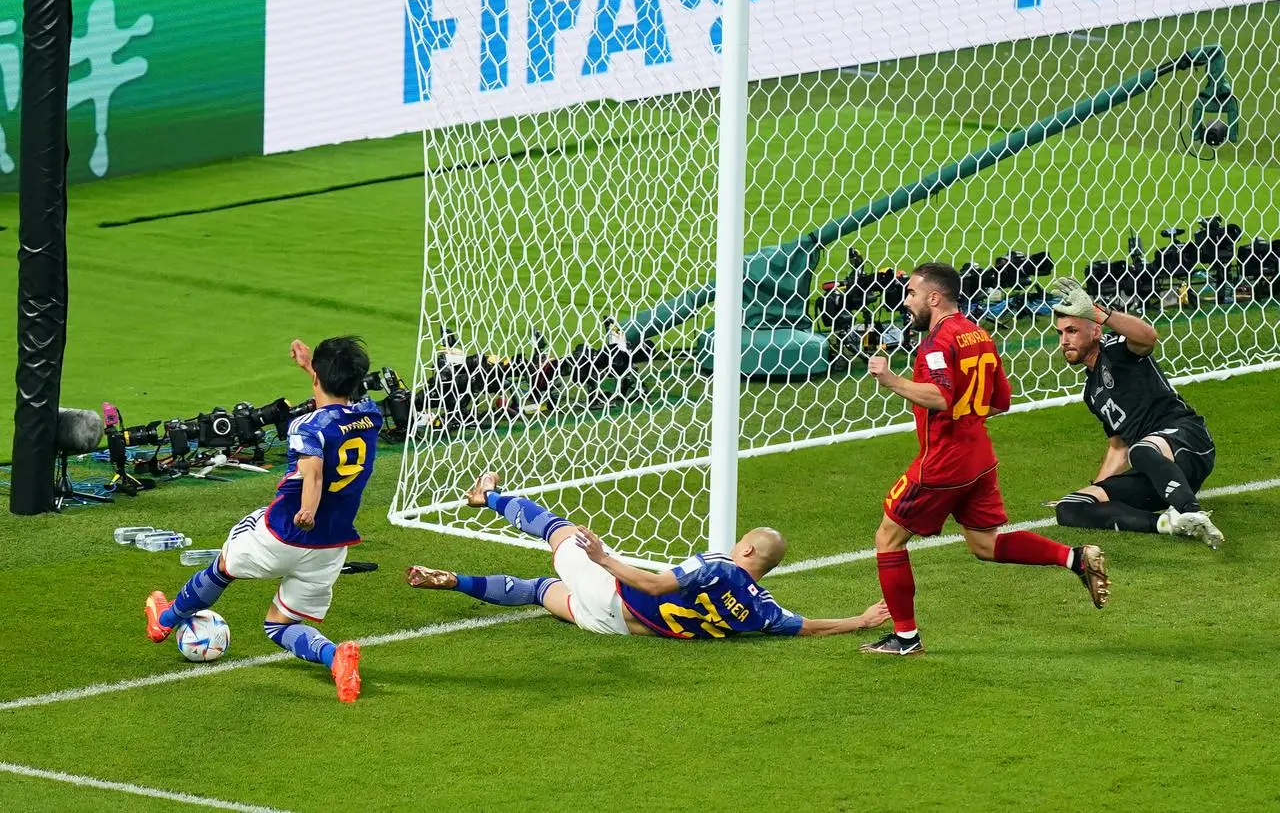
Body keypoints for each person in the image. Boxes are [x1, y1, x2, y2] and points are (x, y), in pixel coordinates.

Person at [862, 263, 1110, 657]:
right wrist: (967, 416)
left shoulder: (937, 343)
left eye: (911, 293)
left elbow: (940, 397)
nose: (906, 302)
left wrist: (890, 379)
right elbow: (1001, 401)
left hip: (944, 462)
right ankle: (1075, 558)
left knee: (887, 538)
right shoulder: (979, 333)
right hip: (979, 456)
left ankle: (905, 639)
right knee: (983, 544)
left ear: (933, 297)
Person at [144, 337, 381, 703]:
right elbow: (339, 407)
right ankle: (336, 657)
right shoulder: (370, 417)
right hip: (332, 545)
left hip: (284, 531)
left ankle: (164, 621)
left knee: (224, 565)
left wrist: (307, 509)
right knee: (279, 625)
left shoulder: (305, 427)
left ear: (318, 376)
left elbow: (313, 473)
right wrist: (310, 367)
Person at [406, 472, 891, 639]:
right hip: (613, 626)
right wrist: (859, 620)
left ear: (746, 548)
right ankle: (458, 580)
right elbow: (806, 626)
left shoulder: (718, 566)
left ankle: (485, 496)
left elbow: (657, 585)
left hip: (614, 591)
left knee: (562, 531)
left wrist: (601, 557)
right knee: (538, 592)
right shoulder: (763, 610)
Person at [1050, 277, 1223, 548]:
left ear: (1095, 331)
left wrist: (1100, 313)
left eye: (1071, 330)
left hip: (1187, 439)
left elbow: (1148, 337)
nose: (1064, 341)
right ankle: (1169, 524)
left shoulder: (1117, 348)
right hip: (1154, 467)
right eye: (1060, 333)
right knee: (1070, 507)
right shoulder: (1091, 393)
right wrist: (1101, 489)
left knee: (1141, 450)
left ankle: (1192, 511)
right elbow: (1118, 447)